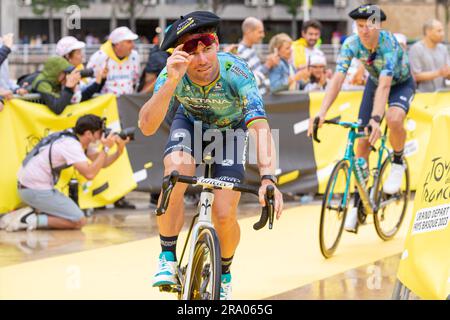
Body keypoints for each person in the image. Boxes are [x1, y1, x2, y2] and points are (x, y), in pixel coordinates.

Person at [138, 11, 284, 300]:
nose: (202, 60)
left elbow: (258, 124)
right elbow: (146, 126)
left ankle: (225, 271)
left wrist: (268, 176)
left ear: (216, 44)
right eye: (193, 52)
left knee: (224, 212)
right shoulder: (172, 73)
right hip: (189, 124)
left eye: (208, 49)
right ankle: (167, 256)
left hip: (229, 133)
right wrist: (169, 82)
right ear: (180, 54)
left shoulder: (237, 71)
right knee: (175, 172)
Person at [307, 4, 415, 232]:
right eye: (360, 26)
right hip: (374, 83)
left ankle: (397, 161)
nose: (364, 31)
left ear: (378, 26)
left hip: (401, 84)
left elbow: (387, 85)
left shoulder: (389, 45)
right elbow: (338, 78)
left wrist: (377, 118)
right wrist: (322, 112)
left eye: (369, 26)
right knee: (361, 145)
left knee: (394, 118)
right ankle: (359, 201)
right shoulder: (351, 43)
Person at [0, 114, 130, 232]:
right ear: (89, 134)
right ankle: (28, 219)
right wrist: (106, 147)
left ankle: (31, 213)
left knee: (71, 216)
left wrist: (119, 150)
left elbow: (102, 162)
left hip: (32, 187)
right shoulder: (70, 145)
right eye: (100, 132)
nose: (102, 136)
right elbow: (90, 174)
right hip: (34, 189)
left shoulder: (74, 137)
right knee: (79, 220)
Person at [31, 56, 107, 115]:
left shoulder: (56, 83)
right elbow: (57, 108)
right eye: (65, 72)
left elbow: (79, 99)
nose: (67, 75)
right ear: (57, 72)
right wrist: (68, 88)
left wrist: (99, 81)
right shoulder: (42, 83)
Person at [87, 26, 141, 97]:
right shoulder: (99, 57)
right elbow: (88, 83)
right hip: (106, 105)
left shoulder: (134, 56)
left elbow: (135, 80)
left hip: (128, 104)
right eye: (129, 42)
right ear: (117, 44)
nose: (133, 45)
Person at [236, 17, 279, 96]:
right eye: (260, 32)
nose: (263, 35)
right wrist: (268, 65)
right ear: (249, 32)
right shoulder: (240, 53)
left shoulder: (250, 50)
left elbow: (258, 74)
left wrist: (270, 63)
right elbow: (249, 82)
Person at [409, 19, 450, 92]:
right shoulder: (416, 49)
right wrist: (439, 73)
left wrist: (447, 73)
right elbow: (415, 76)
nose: (442, 34)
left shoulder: (443, 48)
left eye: (442, 31)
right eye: (439, 31)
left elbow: (447, 73)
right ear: (428, 32)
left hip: (442, 96)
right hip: (422, 96)